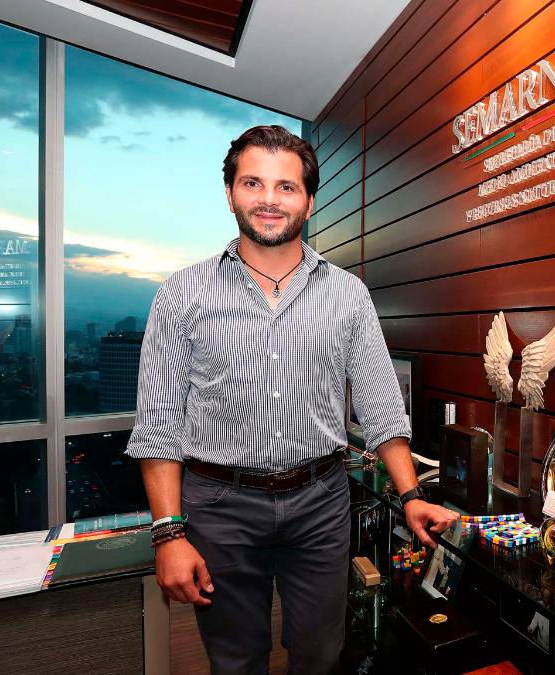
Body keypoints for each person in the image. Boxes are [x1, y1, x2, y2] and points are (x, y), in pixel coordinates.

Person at [125, 125, 457, 675]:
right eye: (253, 183)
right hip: (219, 507)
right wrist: (169, 534)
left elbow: (380, 405)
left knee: (322, 657)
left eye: (286, 186)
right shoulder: (183, 293)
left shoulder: (348, 295)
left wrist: (411, 494)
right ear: (230, 192)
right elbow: (159, 424)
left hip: (319, 504)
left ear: (308, 200)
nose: (269, 199)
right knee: (236, 662)